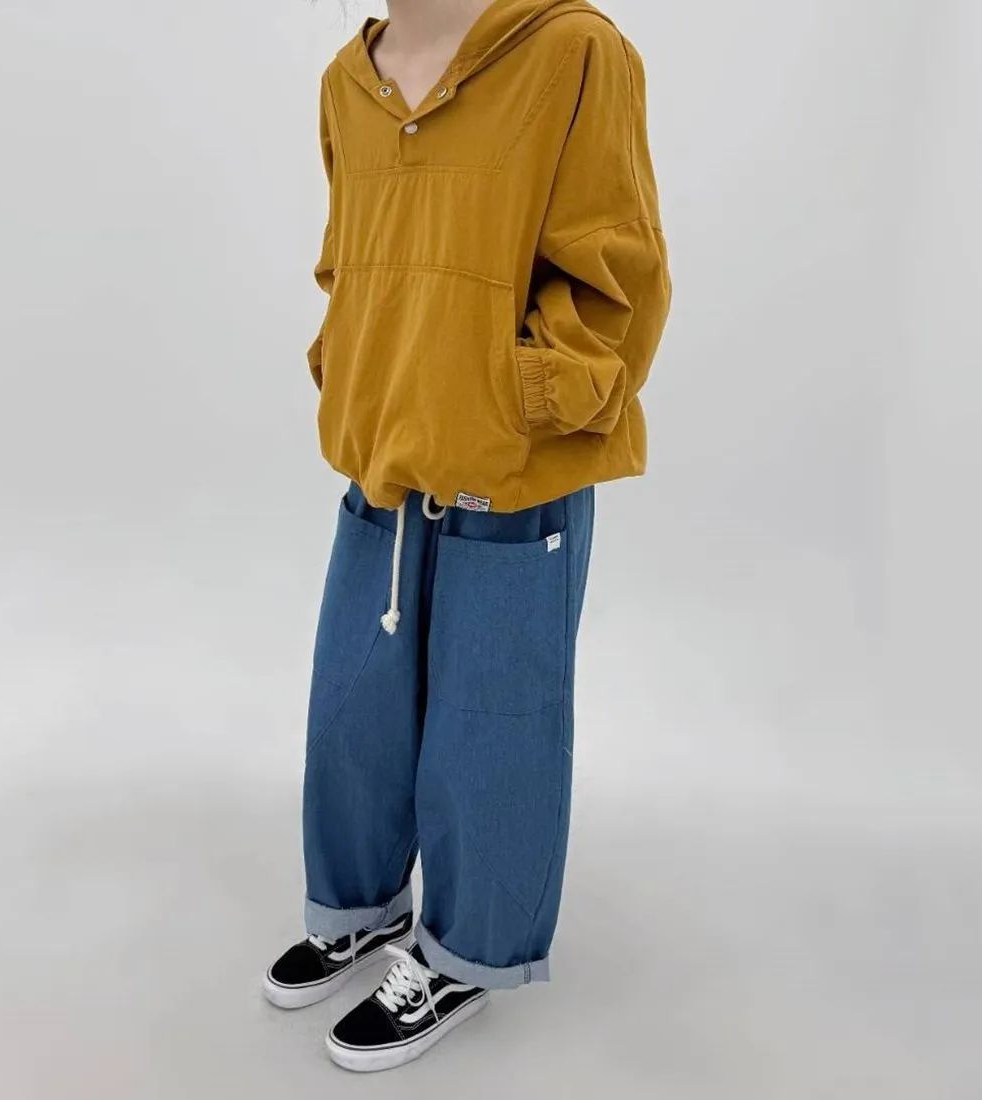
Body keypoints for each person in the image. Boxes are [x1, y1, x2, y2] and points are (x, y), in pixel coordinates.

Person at [263, 0, 670, 1072]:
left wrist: (516, 394)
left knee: (493, 724)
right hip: (385, 450)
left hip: (511, 464)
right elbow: (348, 258)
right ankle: (356, 907)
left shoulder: (573, 51)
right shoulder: (346, 83)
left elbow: (617, 268)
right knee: (352, 705)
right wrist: (348, 368)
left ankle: (466, 954)